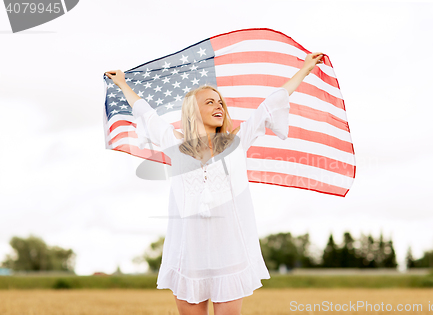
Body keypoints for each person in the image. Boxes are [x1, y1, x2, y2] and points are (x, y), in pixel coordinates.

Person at [104, 52, 324, 315]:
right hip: (188, 258)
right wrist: (123, 84)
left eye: (220, 102)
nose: (219, 107)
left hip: (229, 255)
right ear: (193, 111)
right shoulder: (175, 145)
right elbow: (145, 114)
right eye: (210, 102)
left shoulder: (238, 142)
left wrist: (305, 70)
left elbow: (271, 103)